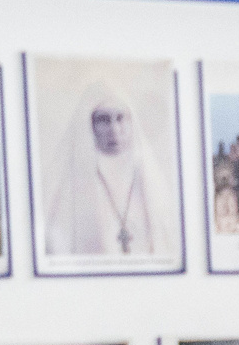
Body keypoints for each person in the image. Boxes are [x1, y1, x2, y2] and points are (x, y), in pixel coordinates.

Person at [50, 84, 166, 259]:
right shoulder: (72, 183)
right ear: (90, 126)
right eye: (103, 120)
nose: (114, 129)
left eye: (120, 118)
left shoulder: (147, 179)